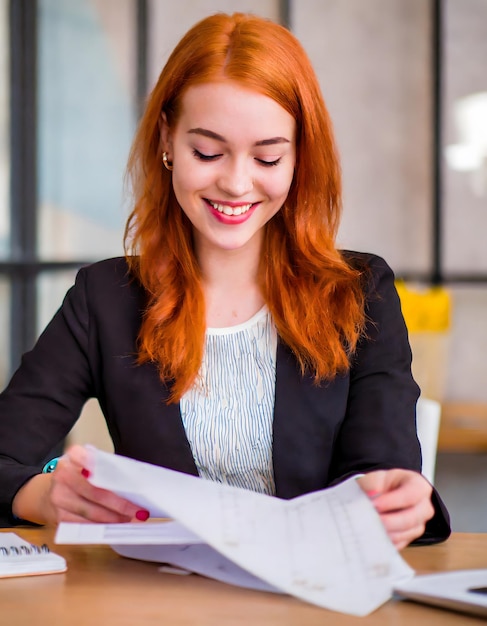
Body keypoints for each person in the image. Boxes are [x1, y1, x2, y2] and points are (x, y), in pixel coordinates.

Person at [0, 12, 449, 549]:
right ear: (167, 138)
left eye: (268, 156)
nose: (236, 183)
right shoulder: (105, 300)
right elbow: (7, 456)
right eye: (207, 152)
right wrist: (44, 494)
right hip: (159, 602)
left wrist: (399, 500)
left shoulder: (359, 291)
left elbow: (385, 467)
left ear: (299, 156)